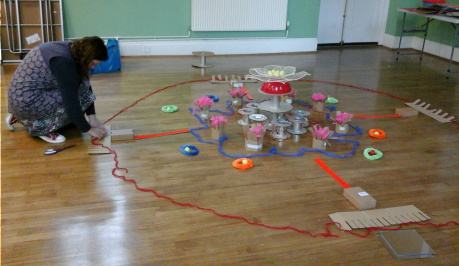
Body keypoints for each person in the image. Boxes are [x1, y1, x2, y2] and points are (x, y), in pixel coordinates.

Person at [6, 36, 109, 143]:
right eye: (93, 63)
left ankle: (22, 117)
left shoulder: (71, 49)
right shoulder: (64, 63)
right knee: (79, 96)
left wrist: (92, 118)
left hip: (19, 98)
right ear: (87, 57)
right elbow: (71, 102)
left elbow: (84, 82)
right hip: (27, 103)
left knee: (80, 89)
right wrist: (88, 129)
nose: (92, 67)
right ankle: (42, 128)